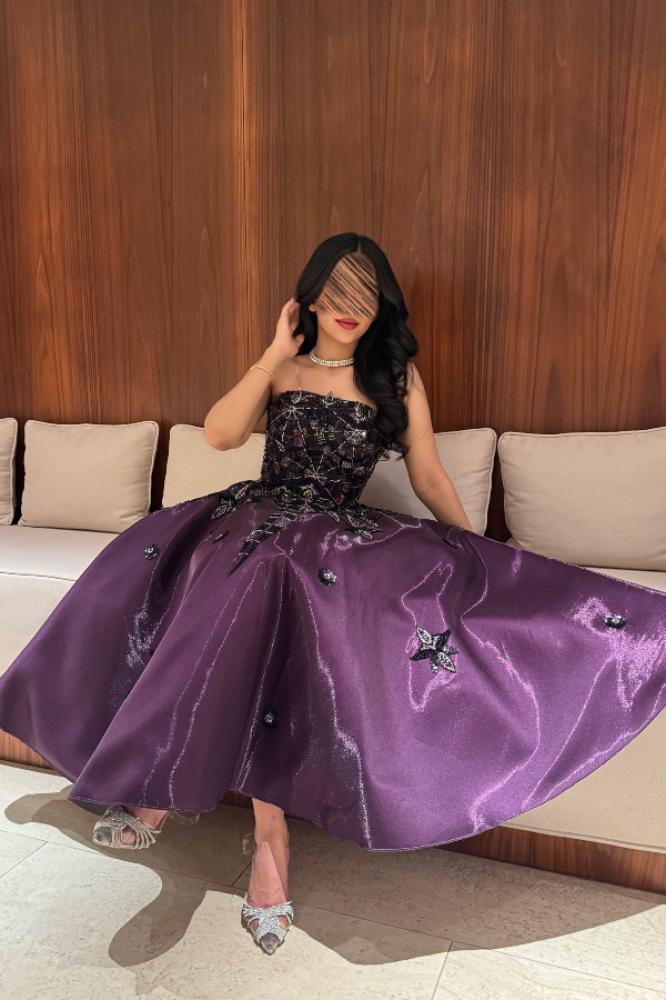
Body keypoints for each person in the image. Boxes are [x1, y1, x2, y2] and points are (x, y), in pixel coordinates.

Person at [0, 233, 664, 956]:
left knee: (269, 578)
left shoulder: (395, 377)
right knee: (244, 572)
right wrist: (272, 351)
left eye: (365, 294)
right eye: (337, 291)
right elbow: (221, 434)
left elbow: (429, 473)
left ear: (382, 305)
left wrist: (482, 554)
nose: (350, 307)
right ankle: (238, 822)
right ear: (310, 297)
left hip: (332, 538)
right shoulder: (284, 366)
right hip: (256, 521)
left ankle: (235, 824)